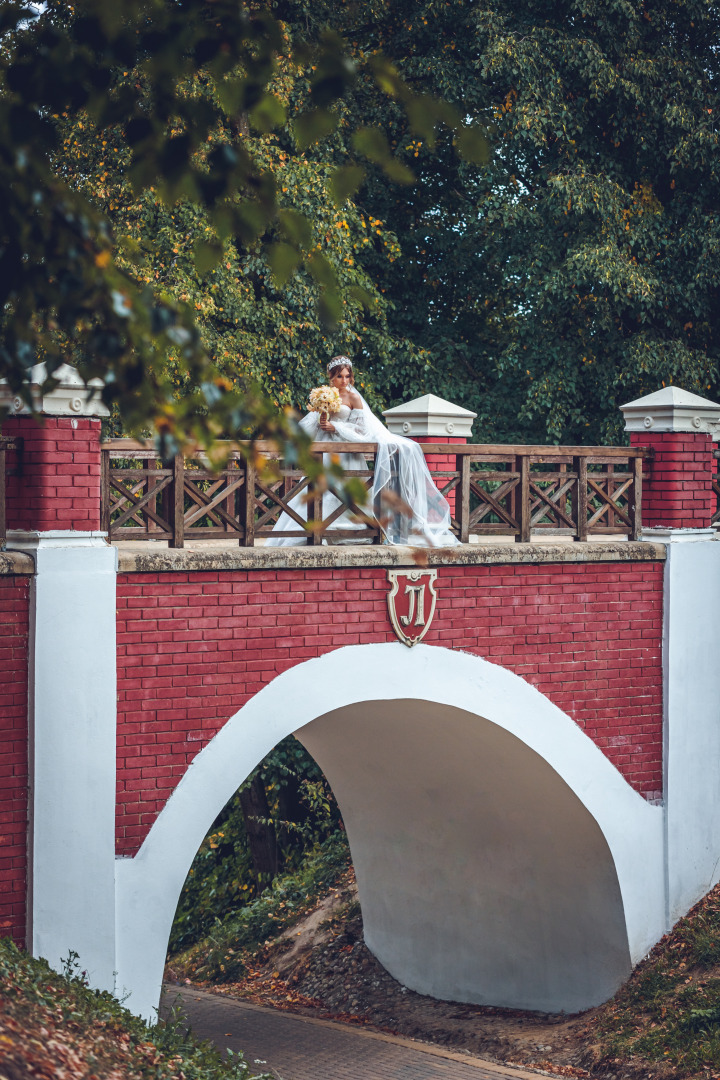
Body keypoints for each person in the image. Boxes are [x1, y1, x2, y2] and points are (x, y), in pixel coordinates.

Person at [266, 357, 458, 547]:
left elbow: (361, 431)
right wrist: (318, 424)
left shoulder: (354, 398)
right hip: (324, 451)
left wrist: (336, 428)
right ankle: (315, 531)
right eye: (339, 376)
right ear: (331, 376)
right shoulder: (324, 395)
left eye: (347, 376)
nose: (344, 380)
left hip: (347, 453)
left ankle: (354, 531)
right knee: (317, 488)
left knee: (345, 489)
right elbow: (311, 425)